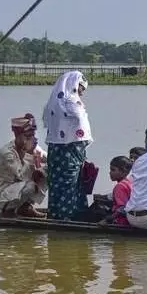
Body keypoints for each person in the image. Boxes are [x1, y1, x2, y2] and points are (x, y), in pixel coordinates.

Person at [42, 70, 93, 220]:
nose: (82, 93)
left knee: (57, 182)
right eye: (81, 89)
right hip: (71, 150)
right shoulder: (71, 102)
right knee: (70, 183)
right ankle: (68, 216)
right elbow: (79, 122)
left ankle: (56, 214)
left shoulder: (54, 103)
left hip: (56, 148)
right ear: (73, 85)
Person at [0, 113, 47, 218]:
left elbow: (49, 159)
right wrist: (27, 153)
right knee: (31, 186)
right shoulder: (7, 153)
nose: (32, 139)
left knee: (48, 171)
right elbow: (20, 175)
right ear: (17, 136)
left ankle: (25, 207)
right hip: (2, 191)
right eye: (28, 136)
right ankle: (7, 210)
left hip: (19, 188)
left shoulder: (34, 147)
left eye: (33, 135)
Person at [108, 155, 133, 226]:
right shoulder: (129, 182)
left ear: (124, 172)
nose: (110, 172)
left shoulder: (120, 186)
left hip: (121, 221)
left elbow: (122, 207)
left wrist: (107, 219)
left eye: (113, 170)